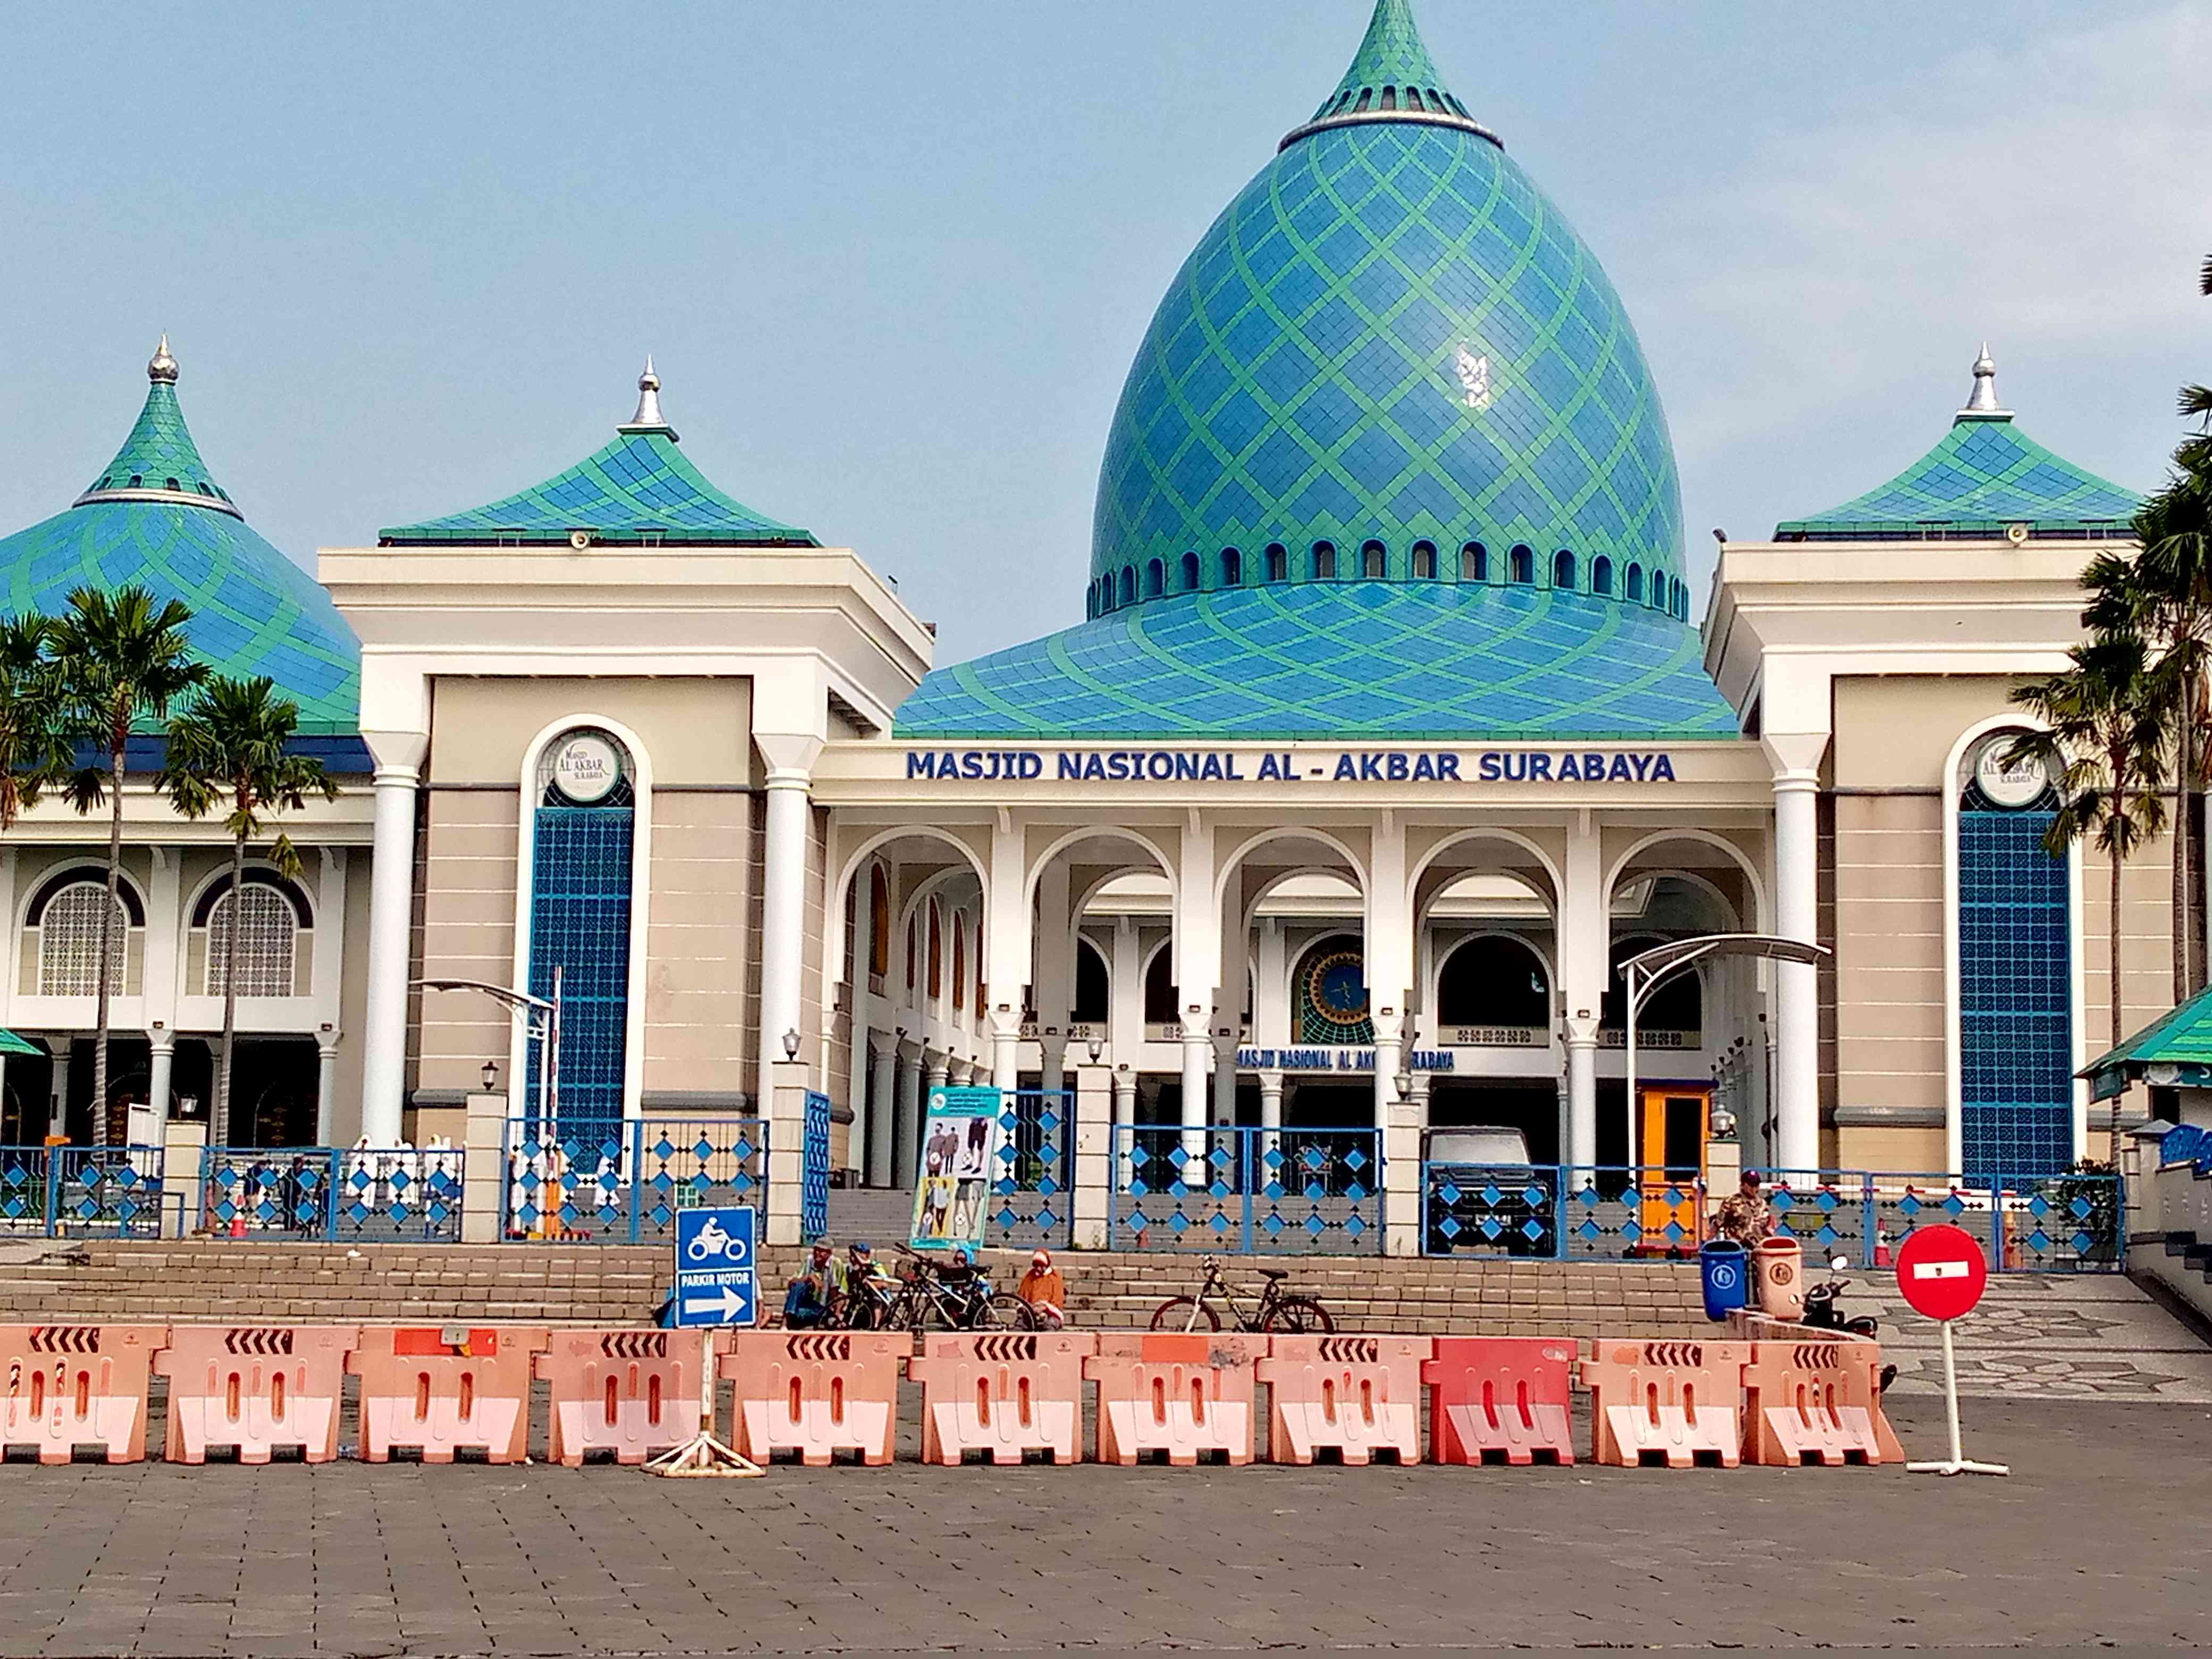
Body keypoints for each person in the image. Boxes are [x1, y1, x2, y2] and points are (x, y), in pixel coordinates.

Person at [782, 1236, 836, 1328]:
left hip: (822, 1307)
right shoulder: (809, 1260)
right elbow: (792, 1283)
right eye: (816, 1250)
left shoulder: (835, 1263)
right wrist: (809, 1278)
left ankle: (789, 1319)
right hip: (805, 1303)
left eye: (822, 1251)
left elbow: (838, 1290)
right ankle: (788, 1319)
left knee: (798, 1314)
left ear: (829, 1253)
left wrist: (835, 1314)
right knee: (798, 1285)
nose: (818, 1253)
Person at [1714, 1170, 1775, 1249]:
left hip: (1759, 1248)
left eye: (1757, 1185)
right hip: (1737, 1247)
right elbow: (1718, 1224)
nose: (1754, 1189)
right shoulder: (1731, 1202)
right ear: (1743, 1185)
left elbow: (1769, 1227)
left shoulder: (1763, 1204)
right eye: (1751, 1185)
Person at [1018, 1249, 1066, 1329]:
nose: (1039, 1268)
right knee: (1020, 1324)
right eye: (1036, 1266)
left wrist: (1045, 1307)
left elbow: (1057, 1302)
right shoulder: (1029, 1277)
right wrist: (1031, 1308)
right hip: (1030, 1312)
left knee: (1051, 1324)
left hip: (1050, 1314)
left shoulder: (1055, 1279)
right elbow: (1022, 1299)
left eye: (1041, 1266)